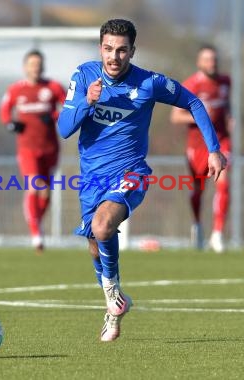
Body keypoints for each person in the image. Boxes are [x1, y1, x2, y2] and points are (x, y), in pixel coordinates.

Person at [57, 19, 226, 342]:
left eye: (122, 50)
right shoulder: (83, 76)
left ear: (132, 51)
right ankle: (114, 301)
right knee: (94, 243)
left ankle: (113, 301)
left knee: (104, 227)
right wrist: (86, 102)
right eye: (108, 49)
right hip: (92, 178)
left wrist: (214, 150)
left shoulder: (149, 83)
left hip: (131, 172)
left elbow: (193, 101)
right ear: (100, 48)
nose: (114, 57)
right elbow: (64, 128)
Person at [0, 50, 66, 254]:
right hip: (27, 148)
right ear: (25, 67)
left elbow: (69, 108)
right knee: (34, 186)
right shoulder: (15, 90)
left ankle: (36, 223)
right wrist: (11, 124)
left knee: (45, 193)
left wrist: (54, 115)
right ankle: (36, 234)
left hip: (50, 148)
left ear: (43, 66)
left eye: (38, 64)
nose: (35, 67)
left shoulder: (53, 87)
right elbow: (4, 110)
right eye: (32, 64)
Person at [170, 44, 232, 253]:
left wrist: (229, 118)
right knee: (199, 189)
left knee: (223, 183)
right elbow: (176, 116)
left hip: (221, 141)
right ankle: (197, 226)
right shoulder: (191, 85)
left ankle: (218, 234)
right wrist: (199, 115)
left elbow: (226, 105)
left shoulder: (225, 82)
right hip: (198, 145)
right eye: (207, 59)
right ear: (199, 62)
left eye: (214, 59)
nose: (211, 63)